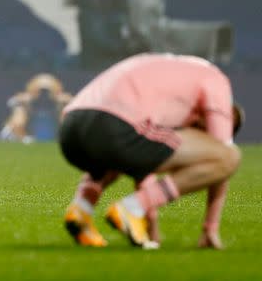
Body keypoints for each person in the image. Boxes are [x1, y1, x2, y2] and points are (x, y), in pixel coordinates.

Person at [58, 53, 243, 249]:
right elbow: (223, 153)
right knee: (229, 157)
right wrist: (210, 228)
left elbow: (143, 160)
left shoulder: (170, 69)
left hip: (71, 130)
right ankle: (131, 208)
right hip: (116, 128)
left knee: (126, 149)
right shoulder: (216, 81)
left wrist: (150, 223)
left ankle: (82, 209)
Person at [77, 0, 140, 70]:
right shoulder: (89, 6)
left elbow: (127, 28)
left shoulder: (119, 4)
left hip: (118, 62)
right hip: (97, 65)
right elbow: (99, 39)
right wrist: (123, 46)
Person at [0, 73, 71, 143]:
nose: (43, 97)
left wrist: (67, 106)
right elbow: (18, 124)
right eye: (40, 92)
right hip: (22, 139)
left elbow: (69, 127)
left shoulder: (65, 103)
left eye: (47, 92)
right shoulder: (22, 102)